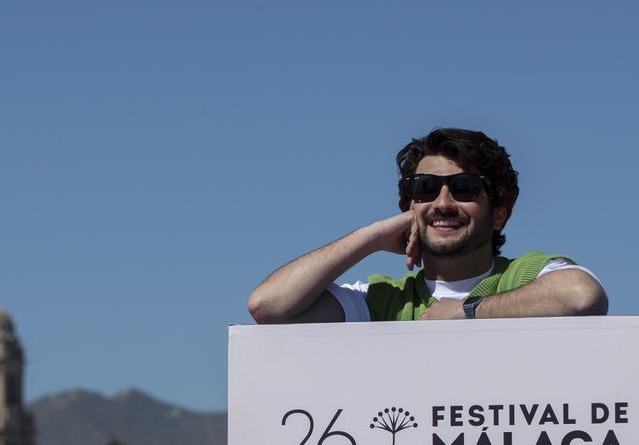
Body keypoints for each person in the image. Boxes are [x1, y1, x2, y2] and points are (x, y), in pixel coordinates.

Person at [247, 128, 606, 323]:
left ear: (499, 212)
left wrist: (467, 312)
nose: (443, 203)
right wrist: (370, 237)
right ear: (409, 209)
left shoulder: (528, 276)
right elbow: (268, 306)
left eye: (464, 188)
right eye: (425, 189)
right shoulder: (382, 302)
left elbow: (581, 295)